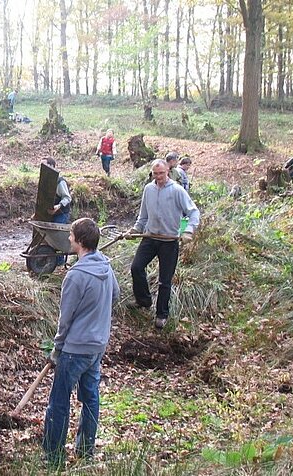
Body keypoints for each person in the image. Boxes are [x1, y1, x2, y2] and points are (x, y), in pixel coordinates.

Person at [42, 218, 120, 468]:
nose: (68, 238)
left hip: (75, 349)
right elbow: (115, 295)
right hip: (97, 346)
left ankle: (53, 457)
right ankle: (86, 451)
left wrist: (57, 348)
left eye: (71, 235)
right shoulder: (106, 267)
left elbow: (65, 318)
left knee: (59, 402)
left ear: (80, 241)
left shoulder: (76, 276)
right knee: (90, 398)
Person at [128, 159, 200, 329]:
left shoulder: (177, 190)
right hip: (150, 237)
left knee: (164, 281)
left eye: (161, 173)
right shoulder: (149, 189)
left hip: (169, 241)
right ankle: (144, 301)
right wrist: (136, 229)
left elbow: (193, 212)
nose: (158, 176)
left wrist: (188, 230)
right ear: (152, 173)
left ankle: (161, 314)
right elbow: (143, 216)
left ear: (167, 171)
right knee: (136, 268)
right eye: (155, 173)